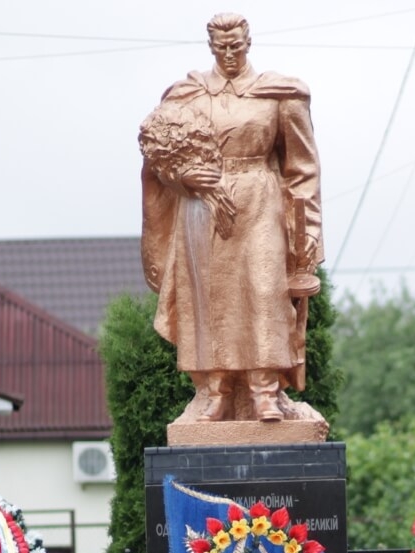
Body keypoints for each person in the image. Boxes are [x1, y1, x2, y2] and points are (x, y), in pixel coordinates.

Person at [140, 13, 323, 422]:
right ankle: (215, 391)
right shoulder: (186, 95)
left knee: (264, 289)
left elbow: (302, 168)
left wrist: (307, 230)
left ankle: (265, 391)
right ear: (210, 47)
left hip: (261, 200)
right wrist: (182, 177)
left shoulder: (279, 94)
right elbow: (158, 162)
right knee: (209, 296)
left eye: (236, 46)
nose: (229, 54)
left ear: (248, 42)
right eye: (221, 47)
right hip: (203, 207)